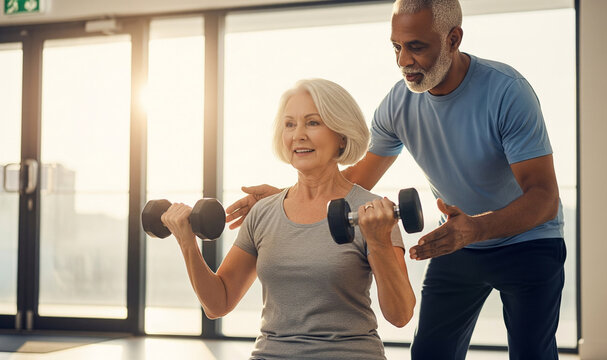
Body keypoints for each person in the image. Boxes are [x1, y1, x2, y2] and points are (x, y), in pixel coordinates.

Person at [225, 0, 566, 359]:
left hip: (528, 240)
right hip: (459, 240)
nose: (404, 60)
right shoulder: (397, 105)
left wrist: (476, 229)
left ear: (453, 39)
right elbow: (355, 180)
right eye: (397, 47)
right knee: (430, 354)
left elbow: (544, 197)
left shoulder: (507, 92)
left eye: (417, 46)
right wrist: (286, 196)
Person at [161, 78, 416, 360]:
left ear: (341, 136)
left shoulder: (372, 213)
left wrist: (378, 243)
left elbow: (401, 315)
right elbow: (218, 303)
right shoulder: (263, 212)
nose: (298, 135)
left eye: (313, 123)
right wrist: (187, 243)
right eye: (290, 124)